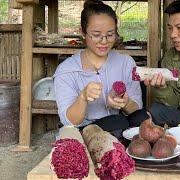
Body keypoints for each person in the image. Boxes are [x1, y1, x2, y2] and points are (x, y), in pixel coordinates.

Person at [53, 0, 149, 138]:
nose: (104, 41)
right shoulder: (67, 70)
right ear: (83, 32)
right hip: (84, 130)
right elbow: (70, 121)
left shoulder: (126, 63)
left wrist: (125, 103)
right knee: (117, 123)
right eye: (96, 35)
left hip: (119, 124)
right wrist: (83, 97)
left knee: (142, 117)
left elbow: (136, 107)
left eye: (110, 35)